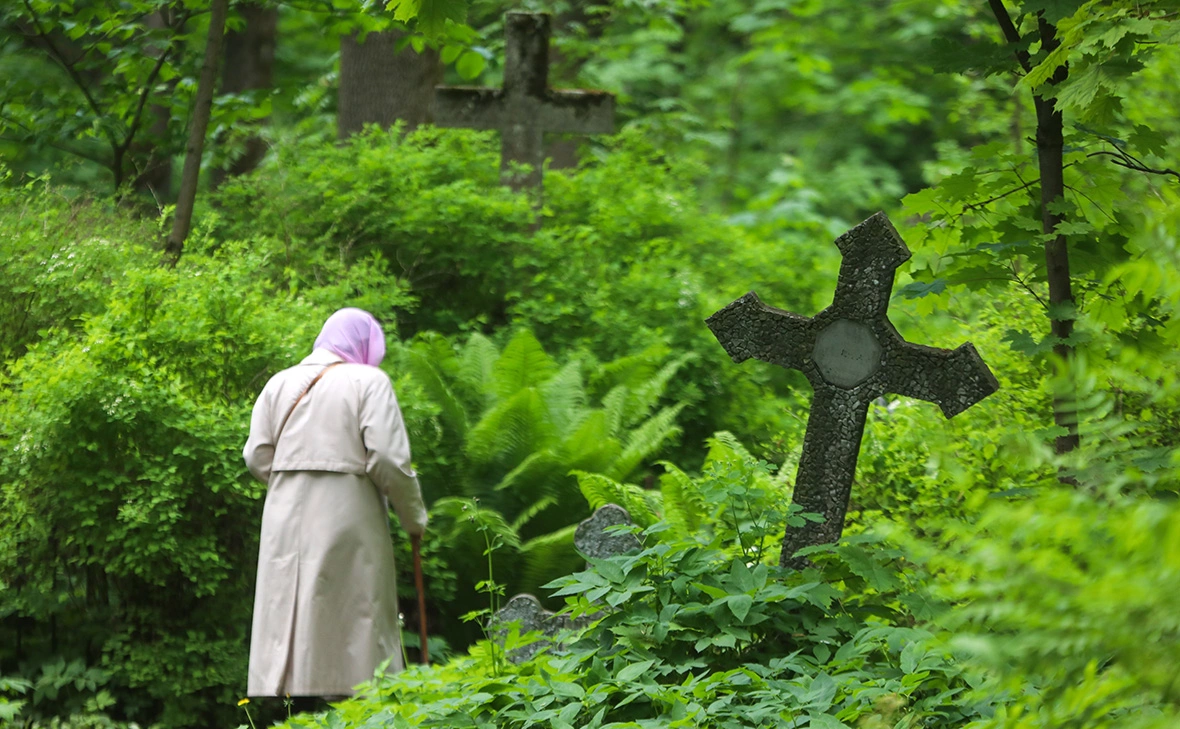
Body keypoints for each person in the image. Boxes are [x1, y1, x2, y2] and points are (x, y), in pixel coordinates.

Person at [243, 308, 427, 701]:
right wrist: (414, 519)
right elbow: (389, 459)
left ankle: (305, 709)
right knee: (354, 620)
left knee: (296, 615)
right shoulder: (369, 381)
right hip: (350, 513)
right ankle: (358, 714)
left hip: (284, 516)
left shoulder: (279, 383)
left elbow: (256, 456)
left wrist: (293, 479)